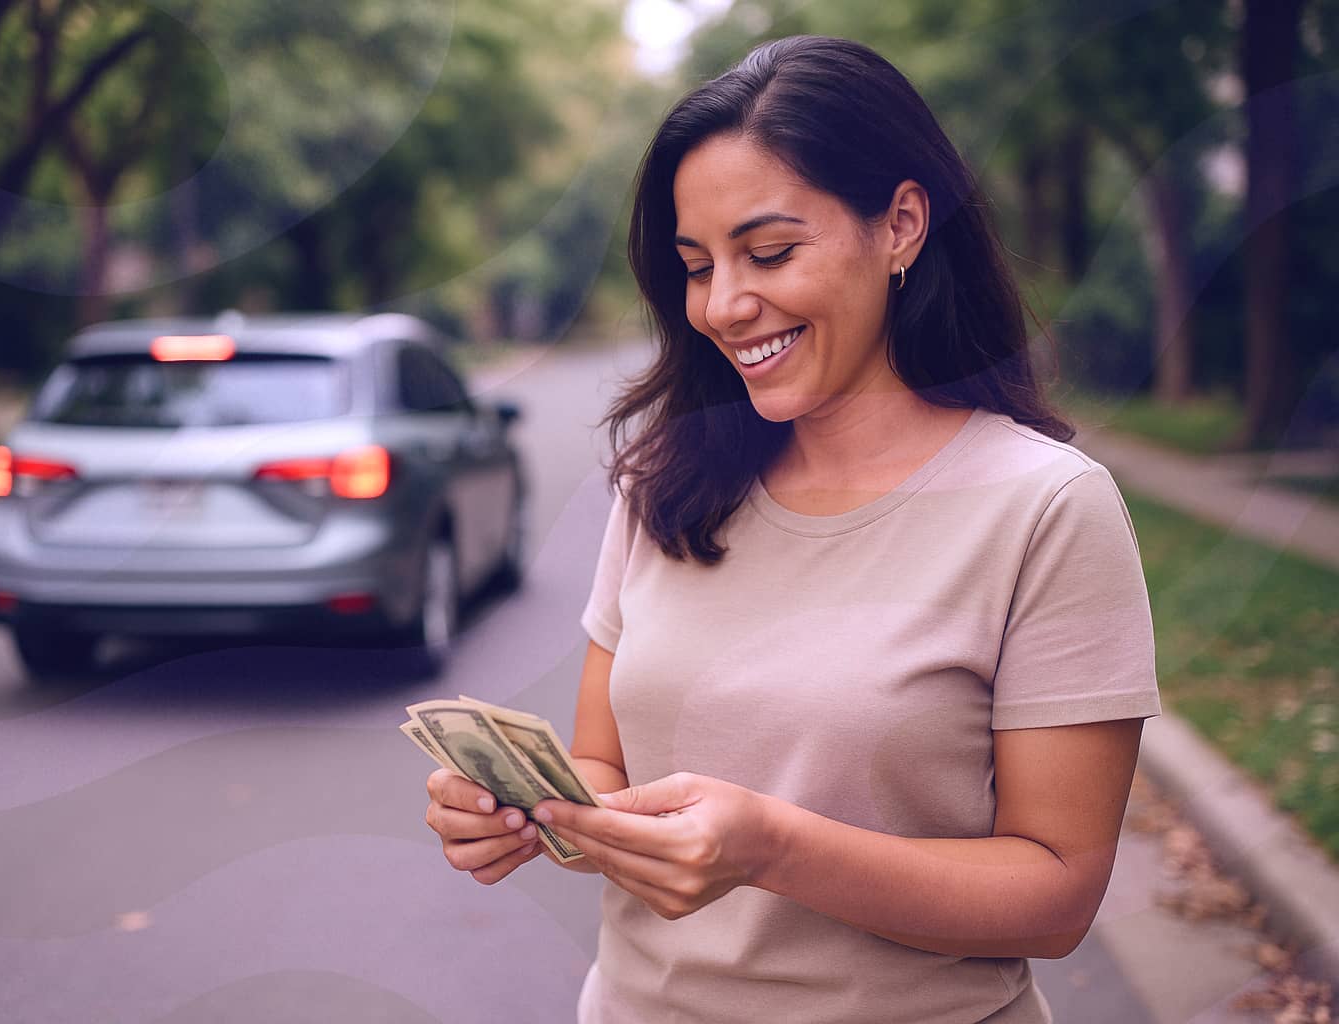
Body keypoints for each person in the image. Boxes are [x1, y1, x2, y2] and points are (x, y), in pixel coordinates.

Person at [422, 34, 1160, 1023]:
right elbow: (605, 768)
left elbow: (1058, 893)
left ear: (900, 224)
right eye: (696, 265)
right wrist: (529, 808)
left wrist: (773, 847)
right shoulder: (668, 481)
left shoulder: (1045, 508)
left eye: (769, 252)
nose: (724, 305)